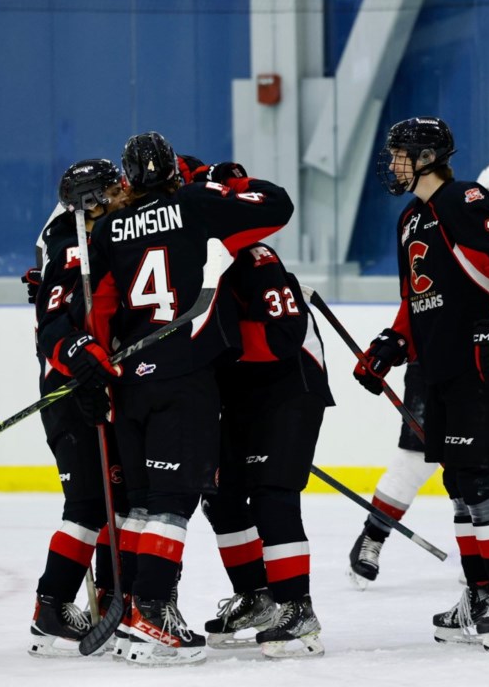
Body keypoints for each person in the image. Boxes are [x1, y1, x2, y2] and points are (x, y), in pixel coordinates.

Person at [69, 132, 294, 666]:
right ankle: (151, 611)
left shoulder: (109, 229)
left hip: (130, 380)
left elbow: (94, 308)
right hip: (185, 375)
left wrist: (93, 370)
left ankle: (132, 614)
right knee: (171, 504)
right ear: (173, 169)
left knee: (143, 502)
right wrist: (228, 182)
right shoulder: (196, 204)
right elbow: (276, 207)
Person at [351, 117, 489, 650]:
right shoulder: (411, 218)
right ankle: (480, 594)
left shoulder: (465, 199)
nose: (393, 164)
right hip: (439, 366)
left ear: (429, 155)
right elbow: (420, 300)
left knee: (482, 481)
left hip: (483, 364)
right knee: (459, 486)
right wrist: (392, 343)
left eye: (401, 155)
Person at [200, 233, 334, 658]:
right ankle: (257, 596)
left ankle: (297, 607)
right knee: (220, 497)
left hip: (290, 387)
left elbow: (283, 337)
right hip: (244, 394)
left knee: (272, 495)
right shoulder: (193, 258)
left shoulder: (256, 258)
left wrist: (216, 345)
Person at [28, 160, 130, 657]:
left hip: (98, 390)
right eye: (110, 190)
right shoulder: (72, 247)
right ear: (88, 201)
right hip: (69, 394)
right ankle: (50, 606)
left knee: (117, 501)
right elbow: (53, 329)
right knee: (90, 504)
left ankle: (113, 601)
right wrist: (77, 364)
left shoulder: (96, 237)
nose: (119, 194)